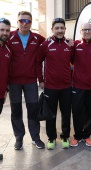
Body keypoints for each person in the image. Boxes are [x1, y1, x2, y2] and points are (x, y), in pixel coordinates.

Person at [8, 11, 45, 150]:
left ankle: (35, 137)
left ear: (31, 23)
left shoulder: (36, 38)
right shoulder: (10, 37)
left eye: (28, 21)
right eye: (22, 20)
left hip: (30, 81)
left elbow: (51, 40)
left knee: (33, 110)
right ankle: (19, 138)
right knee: (16, 110)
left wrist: (68, 41)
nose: (24, 23)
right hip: (14, 82)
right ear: (17, 22)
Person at [37, 18, 74, 149]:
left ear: (65, 29)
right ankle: (51, 138)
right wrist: (40, 79)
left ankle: (65, 137)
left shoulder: (69, 45)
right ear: (52, 29)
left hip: (66, 86)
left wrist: (72, 45)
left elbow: (75, 61)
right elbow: (38, 62)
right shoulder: (46, 45)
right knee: (50, 114)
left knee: (66, 113)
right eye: (56, 28)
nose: (59, 30)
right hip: (50, 86)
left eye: (61, 28)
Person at [70, 23, 91, 147]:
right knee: (77, 111)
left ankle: (87, 135)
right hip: (78, 85)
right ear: (81, 31)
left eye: (89, 30)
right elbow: (71, 60)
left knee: (90, 112)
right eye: (84, 30)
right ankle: (77, 136)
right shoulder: (76, 45)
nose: (87, 32)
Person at [0, 17, 11, 160]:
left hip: (1, 95)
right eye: (2, 30)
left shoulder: (8, 48)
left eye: (7, 30)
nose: (4, 33)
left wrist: (6, 90)